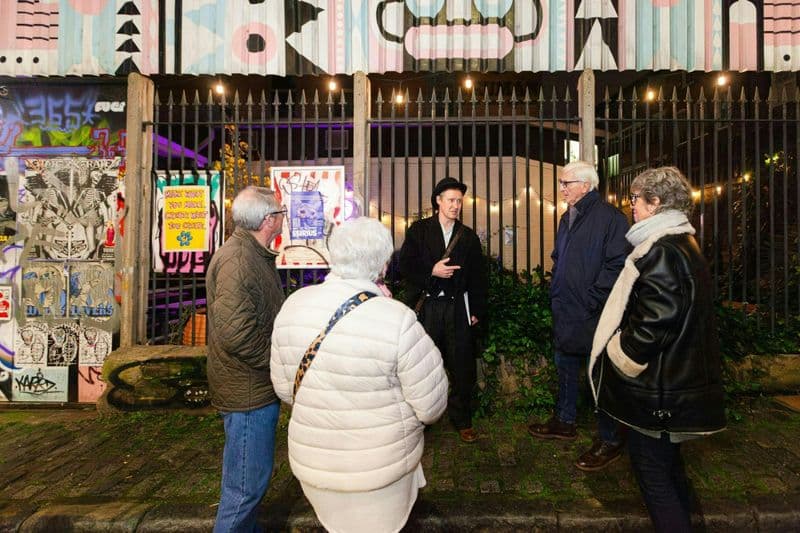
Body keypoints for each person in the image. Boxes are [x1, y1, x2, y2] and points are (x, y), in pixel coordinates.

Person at [271, 216, 448, 533]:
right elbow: (431, 405)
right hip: (379, 472)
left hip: (316, 468)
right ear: (382, 265)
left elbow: (285, 390)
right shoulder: (398, 319)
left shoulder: (293, 306)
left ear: (334, 254)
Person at [589, 167, 726, 532]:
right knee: (669, 472)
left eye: (636, 199)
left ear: (657, 202)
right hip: (672, 387)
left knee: (654, 477)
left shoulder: (663, 250)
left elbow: (654, 326)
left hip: (659, 394)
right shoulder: (681, 243)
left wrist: (620, 350)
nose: (630, 206)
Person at [528, 160, 630, 471]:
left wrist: (591, 299)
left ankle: (610, 439)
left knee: (601, 377)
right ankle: (565, 421)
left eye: (566, 183)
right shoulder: (566, 217)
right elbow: (560, 257)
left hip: (594, 314)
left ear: (585, 186)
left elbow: (617, 266)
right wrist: (558, 288)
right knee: (566, 368)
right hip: (567, 309)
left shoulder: (611, 219)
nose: (560, 188)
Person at [206, 186, 287, 533]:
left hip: (252, 389)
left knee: (248, 488)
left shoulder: (251, 254)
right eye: (281, 213)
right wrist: (277, 363)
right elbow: (236, 334)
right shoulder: (238, 261)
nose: (284, 218)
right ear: (268, 220)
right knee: (244, 491)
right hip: (248, 393)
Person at [398, 177, 487, 443]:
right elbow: (405, 266)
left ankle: (462, 419)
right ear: (438, 201)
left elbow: (479, 278)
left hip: (458, 308)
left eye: (459, 201)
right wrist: (432, 271)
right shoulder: (419, 231)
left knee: (462, 365)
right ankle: (421, 418)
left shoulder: (468, 237)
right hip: (427, 307)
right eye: (451, 200)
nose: (456, 205)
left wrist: (477, 310)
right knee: (422, 365)